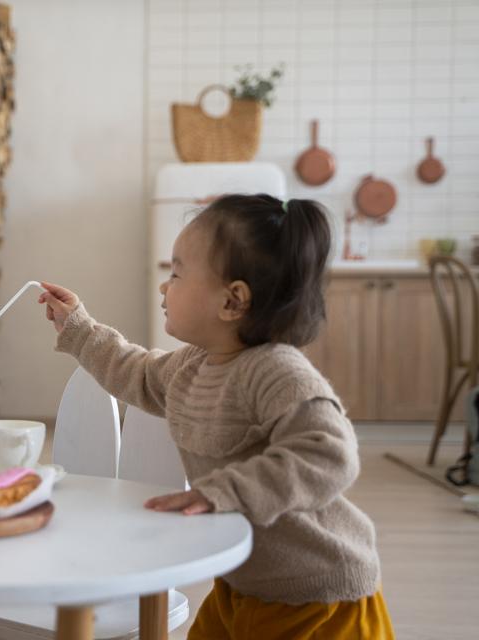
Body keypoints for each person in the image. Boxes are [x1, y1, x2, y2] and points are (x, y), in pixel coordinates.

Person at [37, 194, 394, 639]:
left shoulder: (276, 370)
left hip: (316, 596)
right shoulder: (195, 364)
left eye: (178, 273)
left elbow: (330, 455)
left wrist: (221, 492)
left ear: (232, 301)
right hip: (243, 583)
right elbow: (138, 373)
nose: (165, 287)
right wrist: (78, 328)